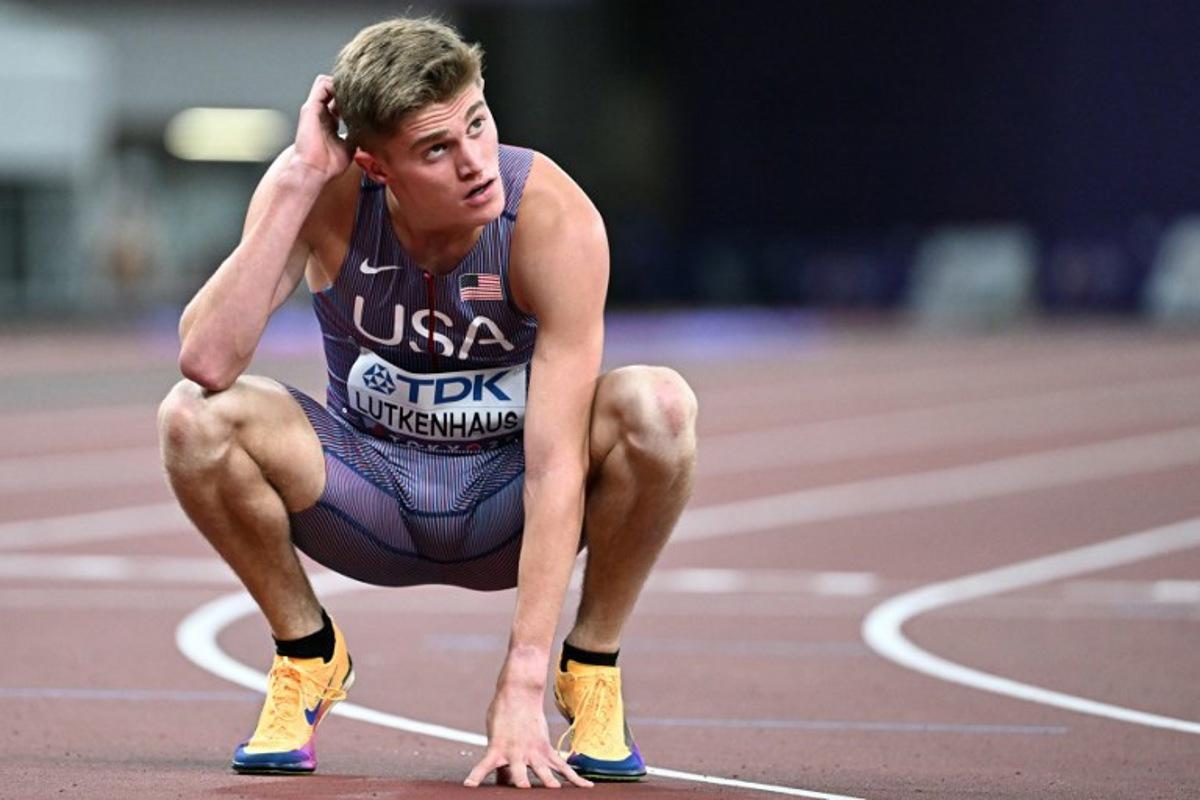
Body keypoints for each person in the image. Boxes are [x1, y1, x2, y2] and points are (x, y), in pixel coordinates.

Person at [157, 16, 697, 789]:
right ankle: (307, 653)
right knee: (191, 416)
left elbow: (553, 467)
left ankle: (593, 669)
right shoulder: (322, 192)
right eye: (436, 150)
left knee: (661, 407)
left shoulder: (553, 219)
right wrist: (300, 182)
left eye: (478, 124)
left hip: (504, 502)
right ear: (375, 167)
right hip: (364, 494)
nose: (476, 163)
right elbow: (206, 359)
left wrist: (522, 682)